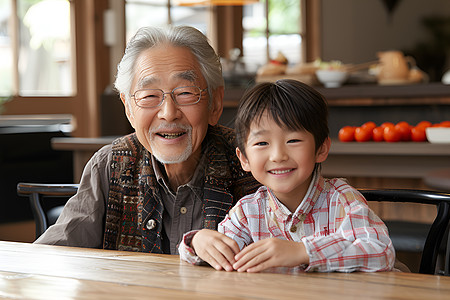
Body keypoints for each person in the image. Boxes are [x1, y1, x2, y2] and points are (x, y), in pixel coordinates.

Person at [34, 25, 260, 254]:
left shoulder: (255, 162)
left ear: (215, 102)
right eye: (149, 96)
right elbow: (49, 256)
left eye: (185, 93)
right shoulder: (109, 166)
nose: (169, 113)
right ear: (129, 109)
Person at [179, 79, 395, 272]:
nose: (278, 155)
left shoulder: (342, 200)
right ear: (244, 158)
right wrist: (197, 242)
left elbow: (381, 251)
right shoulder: (247, 212)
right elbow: (221, 258)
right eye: (262, 143)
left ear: (321, 148)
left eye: (293, 141)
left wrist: (303, 252)